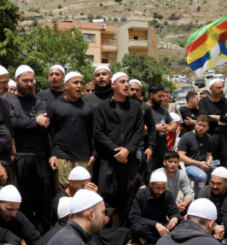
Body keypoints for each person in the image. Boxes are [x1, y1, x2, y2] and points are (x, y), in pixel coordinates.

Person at [50, 166, 134, 245]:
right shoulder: (61, 201)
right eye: (83, 185)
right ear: (72, 183)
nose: (86, 188)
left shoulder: (84, 194)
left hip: (91, 231)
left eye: (89, 185)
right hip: (75, 235)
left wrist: (94, 196)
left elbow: (103, 209)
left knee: (124, 231)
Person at [5, 65, 54, 230]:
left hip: (39, 156)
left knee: (43, 196)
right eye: (25, 80)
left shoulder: (38, 101)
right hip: (19, 157)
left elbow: (44, 127)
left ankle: (42, 231)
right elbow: (11, 123)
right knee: (22, 197)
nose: (29, 83)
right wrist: (34, 121)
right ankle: (24, 232)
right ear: (16, 79)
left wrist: (50, 154)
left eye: (31, 80)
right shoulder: (7, 101)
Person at [93, 71, 145, 224]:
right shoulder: (102, 107)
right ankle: (102, 228)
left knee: (128, 194)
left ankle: (124, 229)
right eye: (122, 81)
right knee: (104, 192)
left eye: (127, 81)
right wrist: (116, 150)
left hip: (129, 159)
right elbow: (98, 132)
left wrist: (127, 150)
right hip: (108, 159)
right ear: (113, 85)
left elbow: (139, 131)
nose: (126, 84)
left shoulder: (135, 107)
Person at [47, 71, 96, 191]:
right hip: (61, 157)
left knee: (84, 192)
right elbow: (47, 132)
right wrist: (51, 154)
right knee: (63, 192)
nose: (79, 85)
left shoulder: (88, 106)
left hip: (84, 158)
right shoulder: (54, 106)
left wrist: (95, 153)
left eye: (81, 83)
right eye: (75, 82)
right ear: (66, 85)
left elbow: (94, 132)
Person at [129, 170, 181, 244]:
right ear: (151, 184)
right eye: (158, 188)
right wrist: (155, 224)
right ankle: (166, 237)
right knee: (137, 228)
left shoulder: (168, 195)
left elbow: (174, 212)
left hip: (163, 225)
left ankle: (150, 238)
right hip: (146, 225)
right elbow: (134, 217)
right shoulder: (141, 194)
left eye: (163, 188)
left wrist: (175, 218)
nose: (160, 191)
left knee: (182, 224)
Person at [199, 78, 227, 171]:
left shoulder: (226, 102)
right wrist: (220, 121)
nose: (221, 90)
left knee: (225, 160)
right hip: (210, 135)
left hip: (224, 136)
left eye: (222, 87)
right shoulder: (203, 102)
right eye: (218, 87)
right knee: (210, 162)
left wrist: (213, 116)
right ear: (211, 88)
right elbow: (204, 117)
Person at [179, 115, 214, 197]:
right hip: (189, 166)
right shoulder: (186, 137)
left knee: (219, 174)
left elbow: (209, 155)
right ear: (195, 124)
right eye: (199, 125)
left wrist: (209, 162)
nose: (201, 128)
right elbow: (180, 156)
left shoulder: (208, 138)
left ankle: (213, 200)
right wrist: (198, 163)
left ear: (207, 127)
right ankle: (198, 200)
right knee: (202, 177)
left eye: (204, 126)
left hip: (203, 165)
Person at [145, 84, 177, 174]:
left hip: (163, 149)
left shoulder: (163, 110)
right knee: (148, 176)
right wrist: (155, 128)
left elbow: (174, 124)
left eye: (163, 96)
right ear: (152, 95)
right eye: (159, 96)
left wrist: (169, 128)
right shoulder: (143, 109)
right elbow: (138, 128)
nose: (162, 99)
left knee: (163, 176)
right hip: (148, 149)